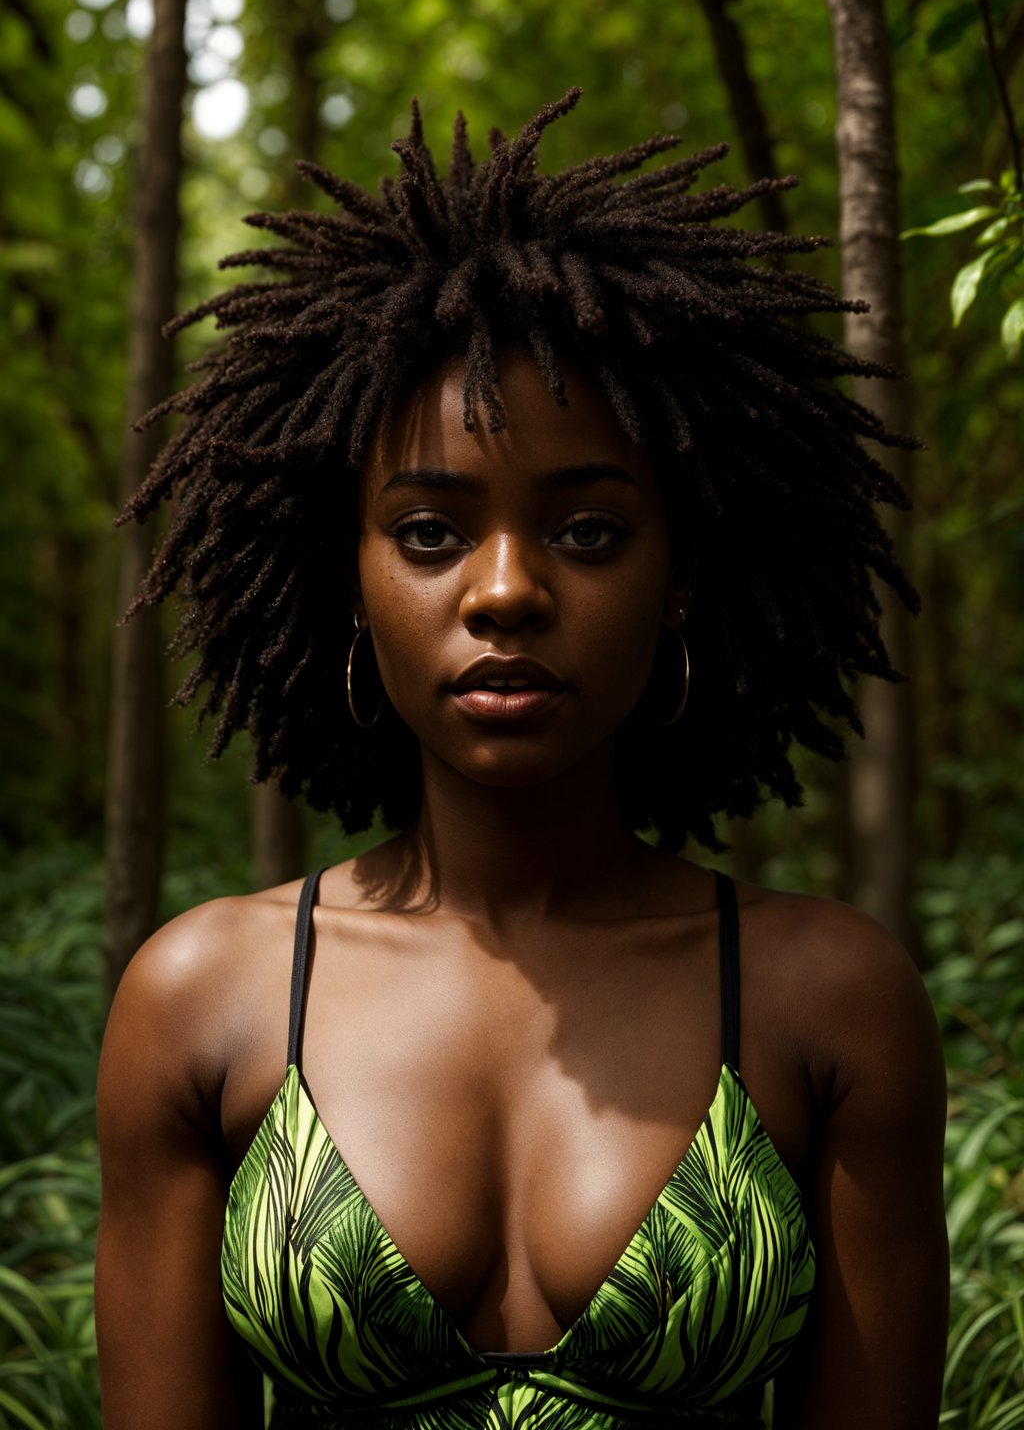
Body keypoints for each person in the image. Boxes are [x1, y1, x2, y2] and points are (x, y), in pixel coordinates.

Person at [95, 88, 949, 1429]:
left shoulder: (828, 1005)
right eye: (430, 533)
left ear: (682, 580)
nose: (505, 591)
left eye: (591, 532)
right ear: (351, 578)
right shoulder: (203, 1001)